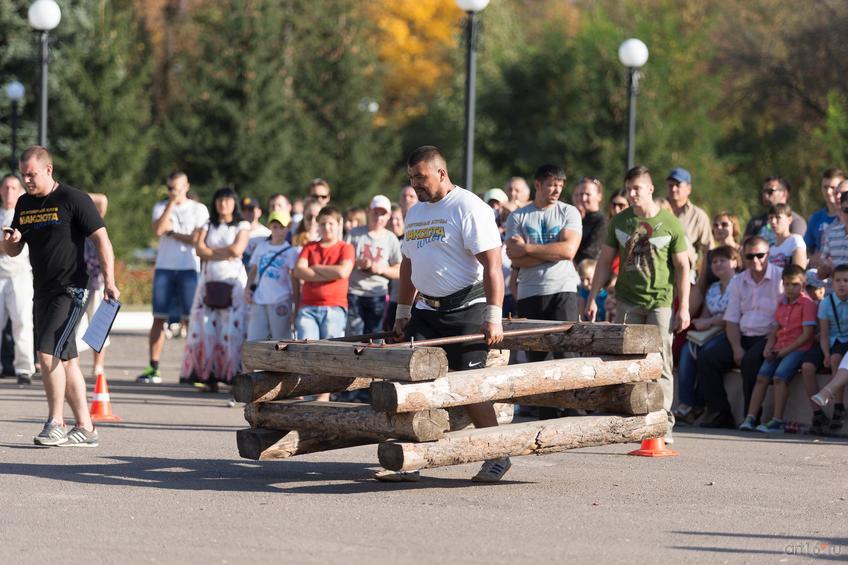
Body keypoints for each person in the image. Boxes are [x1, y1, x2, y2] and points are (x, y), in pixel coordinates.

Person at [386, 145, 508, 483]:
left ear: (441, 172)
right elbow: (408, 263)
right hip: (426, 311)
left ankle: (498, 454)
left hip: (467, 310)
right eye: (411, 178)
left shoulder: (469, 207)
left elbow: (493, 265)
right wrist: (403, 311)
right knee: (412, 384)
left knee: (471, 390)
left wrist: (494, 315)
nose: (415, 185)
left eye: (421, 177)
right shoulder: (415, 212)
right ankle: (413, 458)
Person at [4, 146, 120, 447]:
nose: (27, 180)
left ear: (48, 170)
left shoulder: (73, 199)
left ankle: (56, 421)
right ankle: (86, 427)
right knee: (66, 360)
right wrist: (11, 242)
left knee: (46, 353)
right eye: (23, 174)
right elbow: (16, 248)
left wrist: (110, 280)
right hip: (41, 290)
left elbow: (102, 241)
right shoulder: (24, 204)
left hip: (72, 290)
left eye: (32, 174)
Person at [585, 165, 690, 442]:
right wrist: (594, 296)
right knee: (629, 363)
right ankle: (635, 420)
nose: (631, 195)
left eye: (637, 189)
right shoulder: (620, 222)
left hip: (660, 302)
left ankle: (663, 423)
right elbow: (605, 262)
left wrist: (684, 307)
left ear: (650, 189)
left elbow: (682, 266)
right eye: (628, 189)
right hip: (628, 301)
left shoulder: (670, 223)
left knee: (662, 362)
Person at [697, 236, 783, 429]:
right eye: (750, 256)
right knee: (707, 357)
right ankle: (721, 414)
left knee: (750, 362)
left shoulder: (780, 277)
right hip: (742, 334)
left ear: (768, 255)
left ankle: (750, 417)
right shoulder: (739, 281)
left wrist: (771, 340)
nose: (755, 261)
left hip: (770, 335)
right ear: (743, 257)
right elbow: (732, 319)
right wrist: (736, 347)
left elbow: (784, 316)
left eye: (760, 255)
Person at [506, 164, 582, 367]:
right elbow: (514, 257)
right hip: (530, 293)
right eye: (551, 185)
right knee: (537, 360)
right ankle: (538, 401)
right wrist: (552, 252)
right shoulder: (518, 216)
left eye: (560, 185)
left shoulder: (569, 212)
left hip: (562, 291)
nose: (557, 190)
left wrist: (528, 249)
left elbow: (568, 251)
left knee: (567, 355)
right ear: (538, 185)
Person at [139, 172, 209, 384]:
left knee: (191, 320)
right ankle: (154, 367)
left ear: (186, 186)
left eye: (176, 188)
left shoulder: (199, 209)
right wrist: (170, 204)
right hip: (165, 268)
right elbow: (159, 229)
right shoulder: (161, 207)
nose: (173, 191)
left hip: (189, 268)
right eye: (169, 188)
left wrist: (173, 233)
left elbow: (197, 239)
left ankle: (193, 368)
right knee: (159, 318)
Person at [181, 187, 251, 392]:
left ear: (234, 203)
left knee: (232, 331)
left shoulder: (242, 225)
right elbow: (199, 250)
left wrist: (212, 252)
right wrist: (223, 253)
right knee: (207, 330)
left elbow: (237, 250)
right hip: (208, 281)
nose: (223, 204)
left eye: (228, 200)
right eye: (220, 200)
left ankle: (233, 377)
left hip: (233, 282)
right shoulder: (208, 224)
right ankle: (208, 376)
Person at [737, 264, 816, 433]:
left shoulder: (807, 304)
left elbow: (807, 334)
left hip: (798, 349)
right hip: (778, 348)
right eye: (786, 284)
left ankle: (777, 420)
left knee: (780, 377)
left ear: (803, 284)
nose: (790, 288)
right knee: (761, 377)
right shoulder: (782, 303)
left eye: (794, 284)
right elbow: (775, 330)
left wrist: (786, 351)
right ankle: (750, 417)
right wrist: (768, 347)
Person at [675, 245, 741, 425]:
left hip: (733, 333)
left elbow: (736, 316)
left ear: (735, 262)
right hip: (713, 332)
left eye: (723, 260)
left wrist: (711, 321)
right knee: (688, 348)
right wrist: (704, 323)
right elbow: (704, 316)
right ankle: (686, 404)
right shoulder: (712, 288)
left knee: (707, 355)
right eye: (714, 261)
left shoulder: (741, 283)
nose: (717, 264)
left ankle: (706, 406)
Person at [293, 205, 354, 344]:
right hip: (308, 307)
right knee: (306, 347)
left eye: (331, 223)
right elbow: (298, 271)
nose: (326, 227)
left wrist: (315, 268)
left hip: (334, 307)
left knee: (329, 350)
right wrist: (331, 273)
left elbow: (342, 272)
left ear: (339, 225)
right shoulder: (310, 247)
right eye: (322, 224)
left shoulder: (346, 248)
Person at [801, 265, 848, 434]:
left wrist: (831, 355)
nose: (842, 284)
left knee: (837, 358)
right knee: (807, 366)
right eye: (838, 280)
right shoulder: (827, 303)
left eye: (846, 280)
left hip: (845, 342)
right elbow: (824, 334)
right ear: (832, 283)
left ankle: (838, 407)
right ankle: (817, 412)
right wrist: (825, 353)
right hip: (829, 341)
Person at [345, 196, 401, 335]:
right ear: (368, 211)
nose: (378, 217)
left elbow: (399, 270)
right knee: (354, 334)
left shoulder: (391, 239)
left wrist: (381, 269)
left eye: (382, 214)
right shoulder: (354, 234)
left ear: (388, 216)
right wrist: (359, 263)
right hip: (354, 293)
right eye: (375, 212)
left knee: (374, 335)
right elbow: (342, 261)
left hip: (378, 294)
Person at [0, 174, 35, 385]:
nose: (9, 192)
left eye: (14, 188)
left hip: (20, 275)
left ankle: (24, 368)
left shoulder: (24, 215)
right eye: (5, 188)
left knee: (22, 322)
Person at [245, 211, 299, 341]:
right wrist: (247, 288)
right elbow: (253, 270)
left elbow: (295, 280)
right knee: (254, 340)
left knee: (281, 341)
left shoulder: (291, 252)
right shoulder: (261, 247)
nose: (278, 231)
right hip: (259, 299)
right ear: (270, 227)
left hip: (281, 299)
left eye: (282, 227)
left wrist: (296, 307)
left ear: (288, 229)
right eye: (275, 227)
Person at [76, 194, 110, 380]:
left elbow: (102, 200)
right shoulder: (73, 225)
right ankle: (76, 366)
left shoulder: (96, 222)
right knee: (76, 327)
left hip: (97, 282)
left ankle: (98, 366)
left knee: (98, 325)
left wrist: (77, 195)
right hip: (78, 283)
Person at [665, 167, 712, 267]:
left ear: (688, 189)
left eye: (677, 185)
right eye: (670, 185)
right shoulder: (657, 210)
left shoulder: (699, 216)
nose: (673, 189)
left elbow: (708, 250)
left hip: (686, 273)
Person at [743, 177, 807, 245]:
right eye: (763, 191)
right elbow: (744, 247)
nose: (765, 195)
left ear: (784, 194)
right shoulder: (755, 221)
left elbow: (795, 246)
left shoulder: (796, 221)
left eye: (770, 191)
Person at [805, 168, 846, 259]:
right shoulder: (815, 218)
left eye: (832, 187)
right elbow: (807, 250)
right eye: (825, 187)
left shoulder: (845, 218)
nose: (828, 192)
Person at [572, 176, 608, 264]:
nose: (583, 198)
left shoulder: (603, 221)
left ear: (599, 196)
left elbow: (591, 253)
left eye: (588, 194)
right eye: (581, 194)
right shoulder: (576, 218)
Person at [816, 191, 848, 281]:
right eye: (846, 210)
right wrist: (824, 268)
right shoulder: (832, 233)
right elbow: (822, 267)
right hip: (833, 290)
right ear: (841, 211)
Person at [384, 204, 406, 330]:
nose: (394, 222)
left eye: (397, 219)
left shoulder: (408, 241)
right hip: (386, 296)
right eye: (391, 219)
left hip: (401, 297)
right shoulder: (383, 240)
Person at [766, 203, 807, 269]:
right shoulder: (770, 247)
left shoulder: (795, 240)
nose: (773, 221)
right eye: (771, 218)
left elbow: (799, 273)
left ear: (789, 219)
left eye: (778, 217)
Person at [240, 194, 272, 267]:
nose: (247, 213)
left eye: (251, 210)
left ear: (259, 212)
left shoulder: (266, 234)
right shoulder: (235, 231)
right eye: (244, 210)